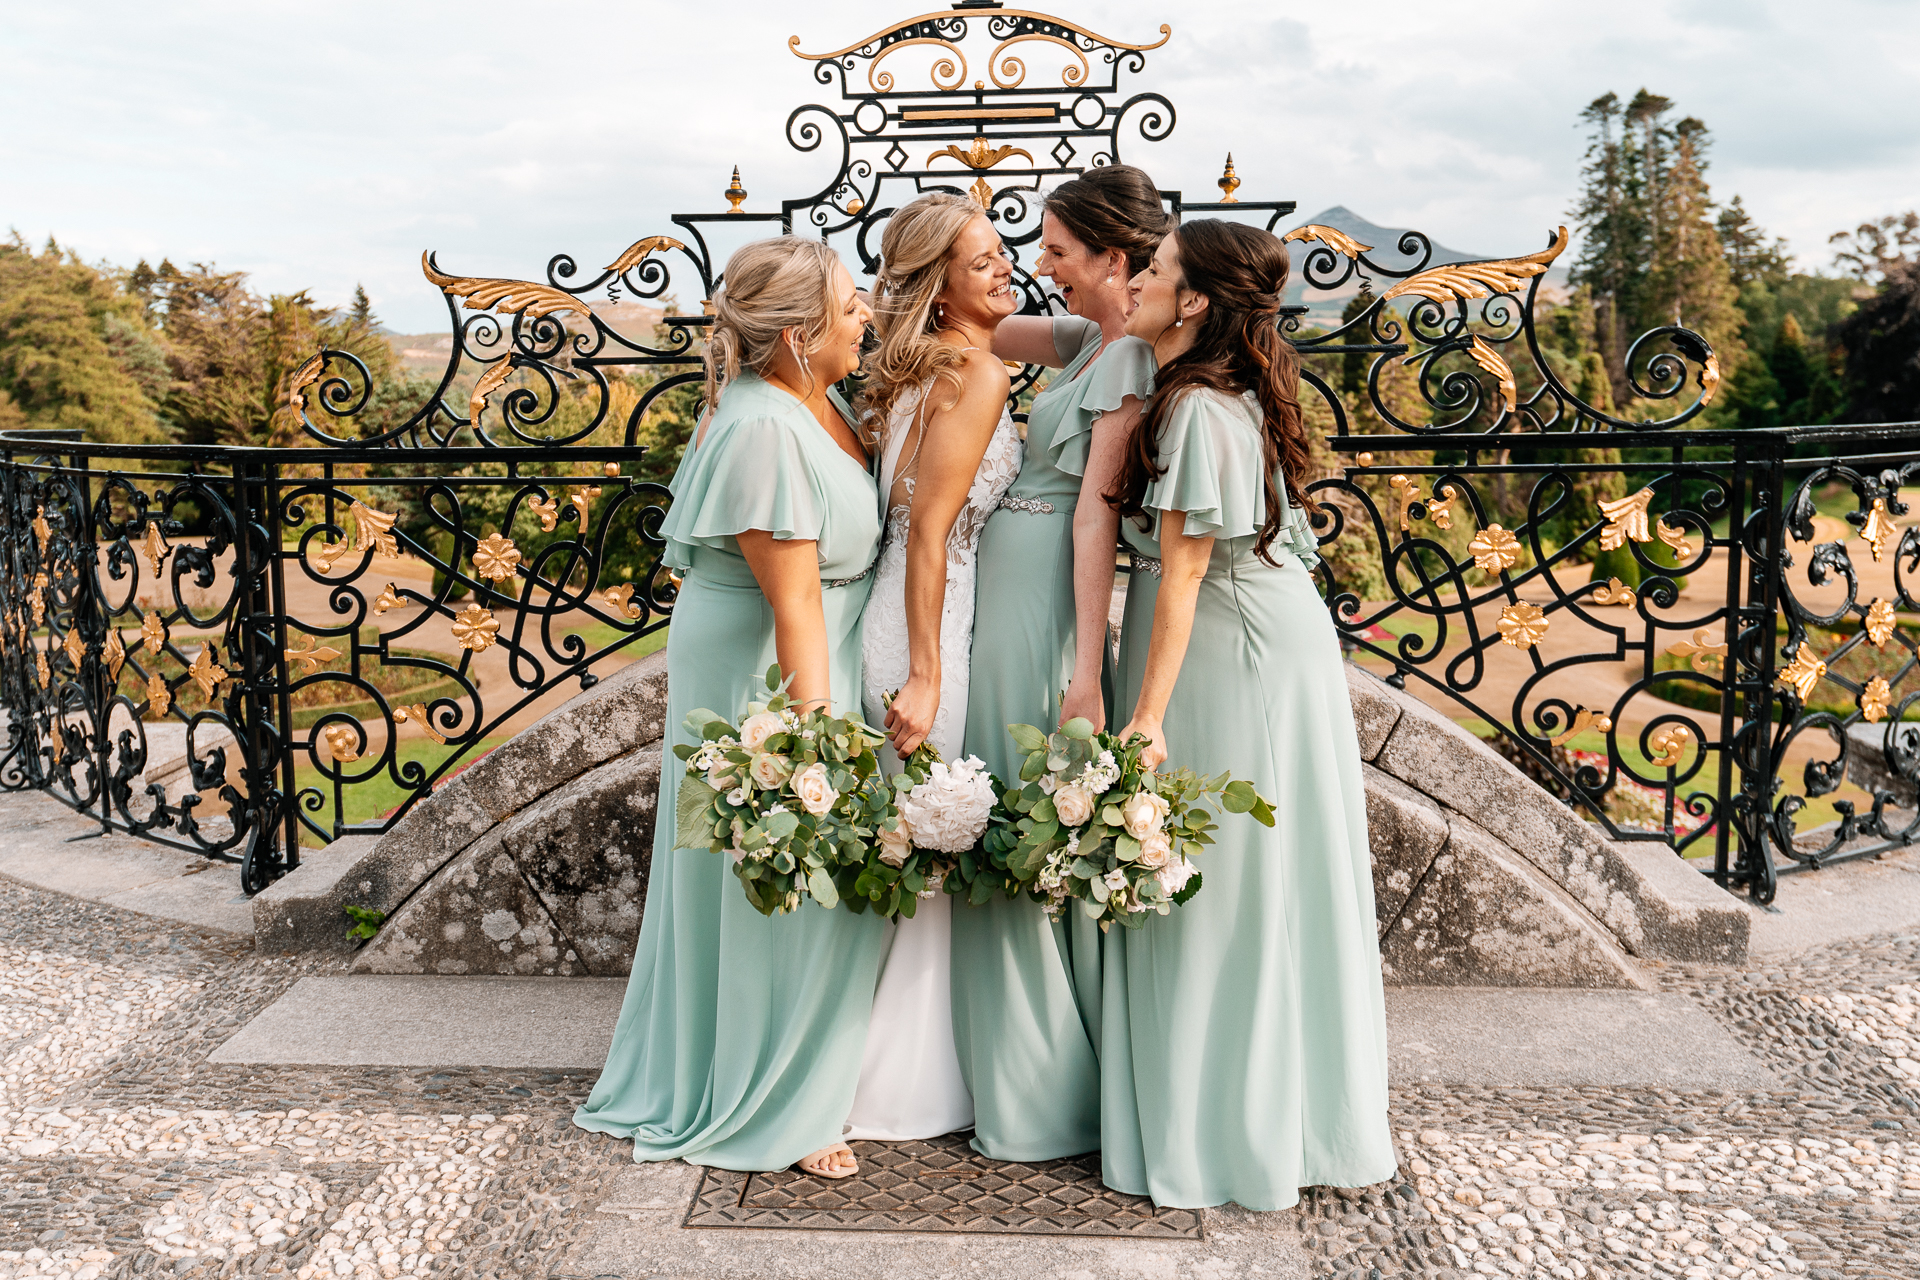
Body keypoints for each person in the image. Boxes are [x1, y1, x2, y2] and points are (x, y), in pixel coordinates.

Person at [1098, 218, 1397, 1209]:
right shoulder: (1212, 392)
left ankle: (1235, 1129)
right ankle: (1254, 1112)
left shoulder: (1195, 411)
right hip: (1245, 637)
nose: (1135, 280)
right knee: (1238, 882)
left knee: (1225, 884)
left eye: (1155, 270)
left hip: (1234, 655)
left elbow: (1181, 575)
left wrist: (1142, 717)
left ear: (1193, 302)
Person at [573, 236, 883, 1181]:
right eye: (848, 301)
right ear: (797, 335)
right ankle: (764, 1091)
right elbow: (791, 605)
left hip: (802, 648)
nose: (865, 312)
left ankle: (792, 1062)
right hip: (767, 672)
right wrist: (814, 745)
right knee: (774, 860)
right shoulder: (761, 430)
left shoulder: (814, 400)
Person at [952, 165, 1169, 1162]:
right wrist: (927, 270)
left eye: (1055, 254)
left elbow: (1100, 521)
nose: (1041, 271)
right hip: (1008, 580)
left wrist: (1087, 668)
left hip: (1047, 602)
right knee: (1000, 788)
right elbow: (972, 328)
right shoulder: (1090, 340)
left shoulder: (1129, 368)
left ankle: (1039, 1089)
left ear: (1113, 259)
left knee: (1022, 801)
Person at [843, 193, 1020, 1142]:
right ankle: (895, 1082)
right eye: (983, 262)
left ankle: (885, 1064)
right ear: (941, 288)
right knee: (922, 837)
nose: (1005, 270)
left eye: (1005, 253)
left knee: (903, 837)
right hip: (927, 626)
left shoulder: (927, 367)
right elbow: (930, 537)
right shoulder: (978, 374)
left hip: (897, 620)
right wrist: (925, 674)